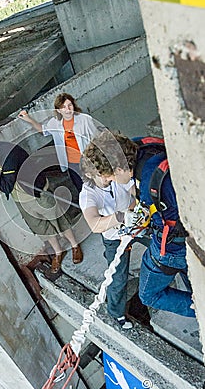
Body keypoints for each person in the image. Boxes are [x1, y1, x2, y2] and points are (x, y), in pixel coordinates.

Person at [80, 130, 195, 318]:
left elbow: (164, 225)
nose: (110, 182)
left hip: (174, 245)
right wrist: (127, 215)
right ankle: (197, 295)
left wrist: (141, 216)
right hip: (176, 234)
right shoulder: (140, 148)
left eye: (110, 177)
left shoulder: (151, 180)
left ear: (118, 170)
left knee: (148, 294)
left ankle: (199, 310)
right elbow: (95, 222)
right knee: (188, 273)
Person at [0, 136, 83, 274]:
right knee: (41, 227)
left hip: (37, 190)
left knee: (58, 218)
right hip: (20, 198)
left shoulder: (7, 152)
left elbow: (7, 186)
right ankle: (58, 252)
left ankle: (74, 245)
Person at [79, 135, 139, 329]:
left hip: (137, 224)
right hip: (115, 238)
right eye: (102, 175)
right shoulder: (88, 195)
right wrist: (121, 217)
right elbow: (95, 224)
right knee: (117, 278)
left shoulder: (114, 173)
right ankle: (117, 313)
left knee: (166, 250)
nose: (107, 178)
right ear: (90, 174)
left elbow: (132, 189)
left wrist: (134, 206)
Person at [18, 93, 99, 193]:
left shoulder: (85, 119)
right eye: (63, 107)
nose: (67, 109)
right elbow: (44, 131)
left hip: (88, 160)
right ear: (59, 110)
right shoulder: (55, 123)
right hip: (72, 163)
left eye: (69, 105)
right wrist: (29, 119)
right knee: (83, 189)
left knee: (97, 184)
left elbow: (97, 138)